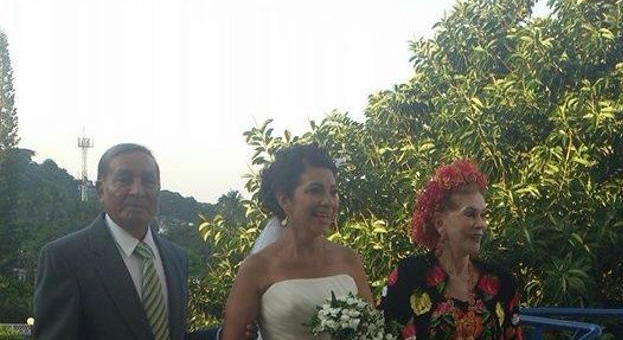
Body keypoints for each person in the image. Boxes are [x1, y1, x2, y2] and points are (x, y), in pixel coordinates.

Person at [33, 143, 223, 340]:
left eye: (148, 181)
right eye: (124, 180)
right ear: (100, 190)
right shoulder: (65, 258)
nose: (137, 191)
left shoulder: (176, 258)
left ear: (158, 188)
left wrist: (221, 335)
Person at [220, 144, 374, 340]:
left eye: (333, 192)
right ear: (284, 200)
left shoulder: (349, 259)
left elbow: (372, 330)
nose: (328, 201)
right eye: (315, 190)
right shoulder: (257, 268)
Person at [380, 159, 523, 340]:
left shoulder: (503, 283)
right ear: (440, 223)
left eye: (483, 215)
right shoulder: (409, 277)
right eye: (470, 214)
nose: (480, 224)